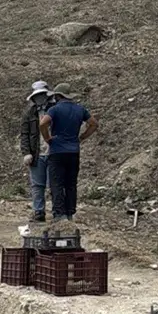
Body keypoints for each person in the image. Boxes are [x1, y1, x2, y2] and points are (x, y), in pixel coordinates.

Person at [40, 83, 99, 222]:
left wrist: (47, 138)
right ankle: (70, 212)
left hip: (57, 151)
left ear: (58, 96)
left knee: (57, 183)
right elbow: (94, 124)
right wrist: (82, 137)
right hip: (74, 151)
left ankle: (59, 214)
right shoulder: (80, 109)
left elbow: (43, 124)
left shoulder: (54, 110)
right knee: (71, 184)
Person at [20, 81, 56, 222]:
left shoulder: (55, 110)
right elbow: (25, 134)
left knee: (55, 185)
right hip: (37, 153)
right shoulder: (29, 114)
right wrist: (26, 152)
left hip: (53, 153)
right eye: (37, 96)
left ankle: (57, 211)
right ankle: (39, 212)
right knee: (37, 185)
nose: (40, 98)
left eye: (42, 95)